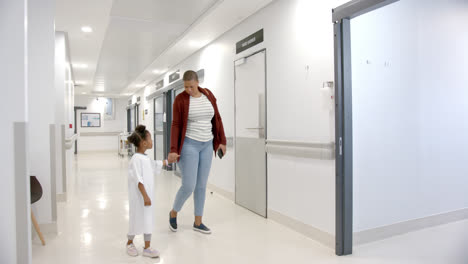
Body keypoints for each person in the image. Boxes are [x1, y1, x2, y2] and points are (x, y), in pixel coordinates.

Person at [168, 70, 226, 234]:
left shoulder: (208, 95)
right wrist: (173, 149)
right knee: (188, 185)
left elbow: (217, 118)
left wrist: (222, 141)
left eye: (191, 87)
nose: (188, 90)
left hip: (207, 145)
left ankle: (198, 222)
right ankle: (173, 213)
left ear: (197, 83)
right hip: (189, 145)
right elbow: (176, 125)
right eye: (185, 87)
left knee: (201, 185)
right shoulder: (180, 99)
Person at [126, 125, 172, 258]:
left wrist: (168, 161)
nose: (152, 141)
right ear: (144, 143)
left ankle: (147, 247)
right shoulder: (136, 159)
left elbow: (155, 165)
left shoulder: (145, 158)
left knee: (148, 219)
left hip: (148, 197)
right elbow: (138, 180)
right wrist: (145, 196)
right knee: (136, 218)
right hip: (139, 197)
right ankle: (129, 242)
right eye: (150, 139)